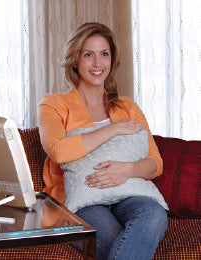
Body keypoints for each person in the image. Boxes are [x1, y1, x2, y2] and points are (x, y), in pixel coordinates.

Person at [38, 22, 167, 260]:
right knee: (123, 242)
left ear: (112, 60)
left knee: (155, 215)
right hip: (78, 202)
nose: (98, 64)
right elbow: (58, 151)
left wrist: (128, 169)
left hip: (128, 193)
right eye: (89, 55)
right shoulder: (53, 104)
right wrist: (113, 129)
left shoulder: (127, 107)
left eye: (104, 54)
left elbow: (155, 163)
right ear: (75, 60)